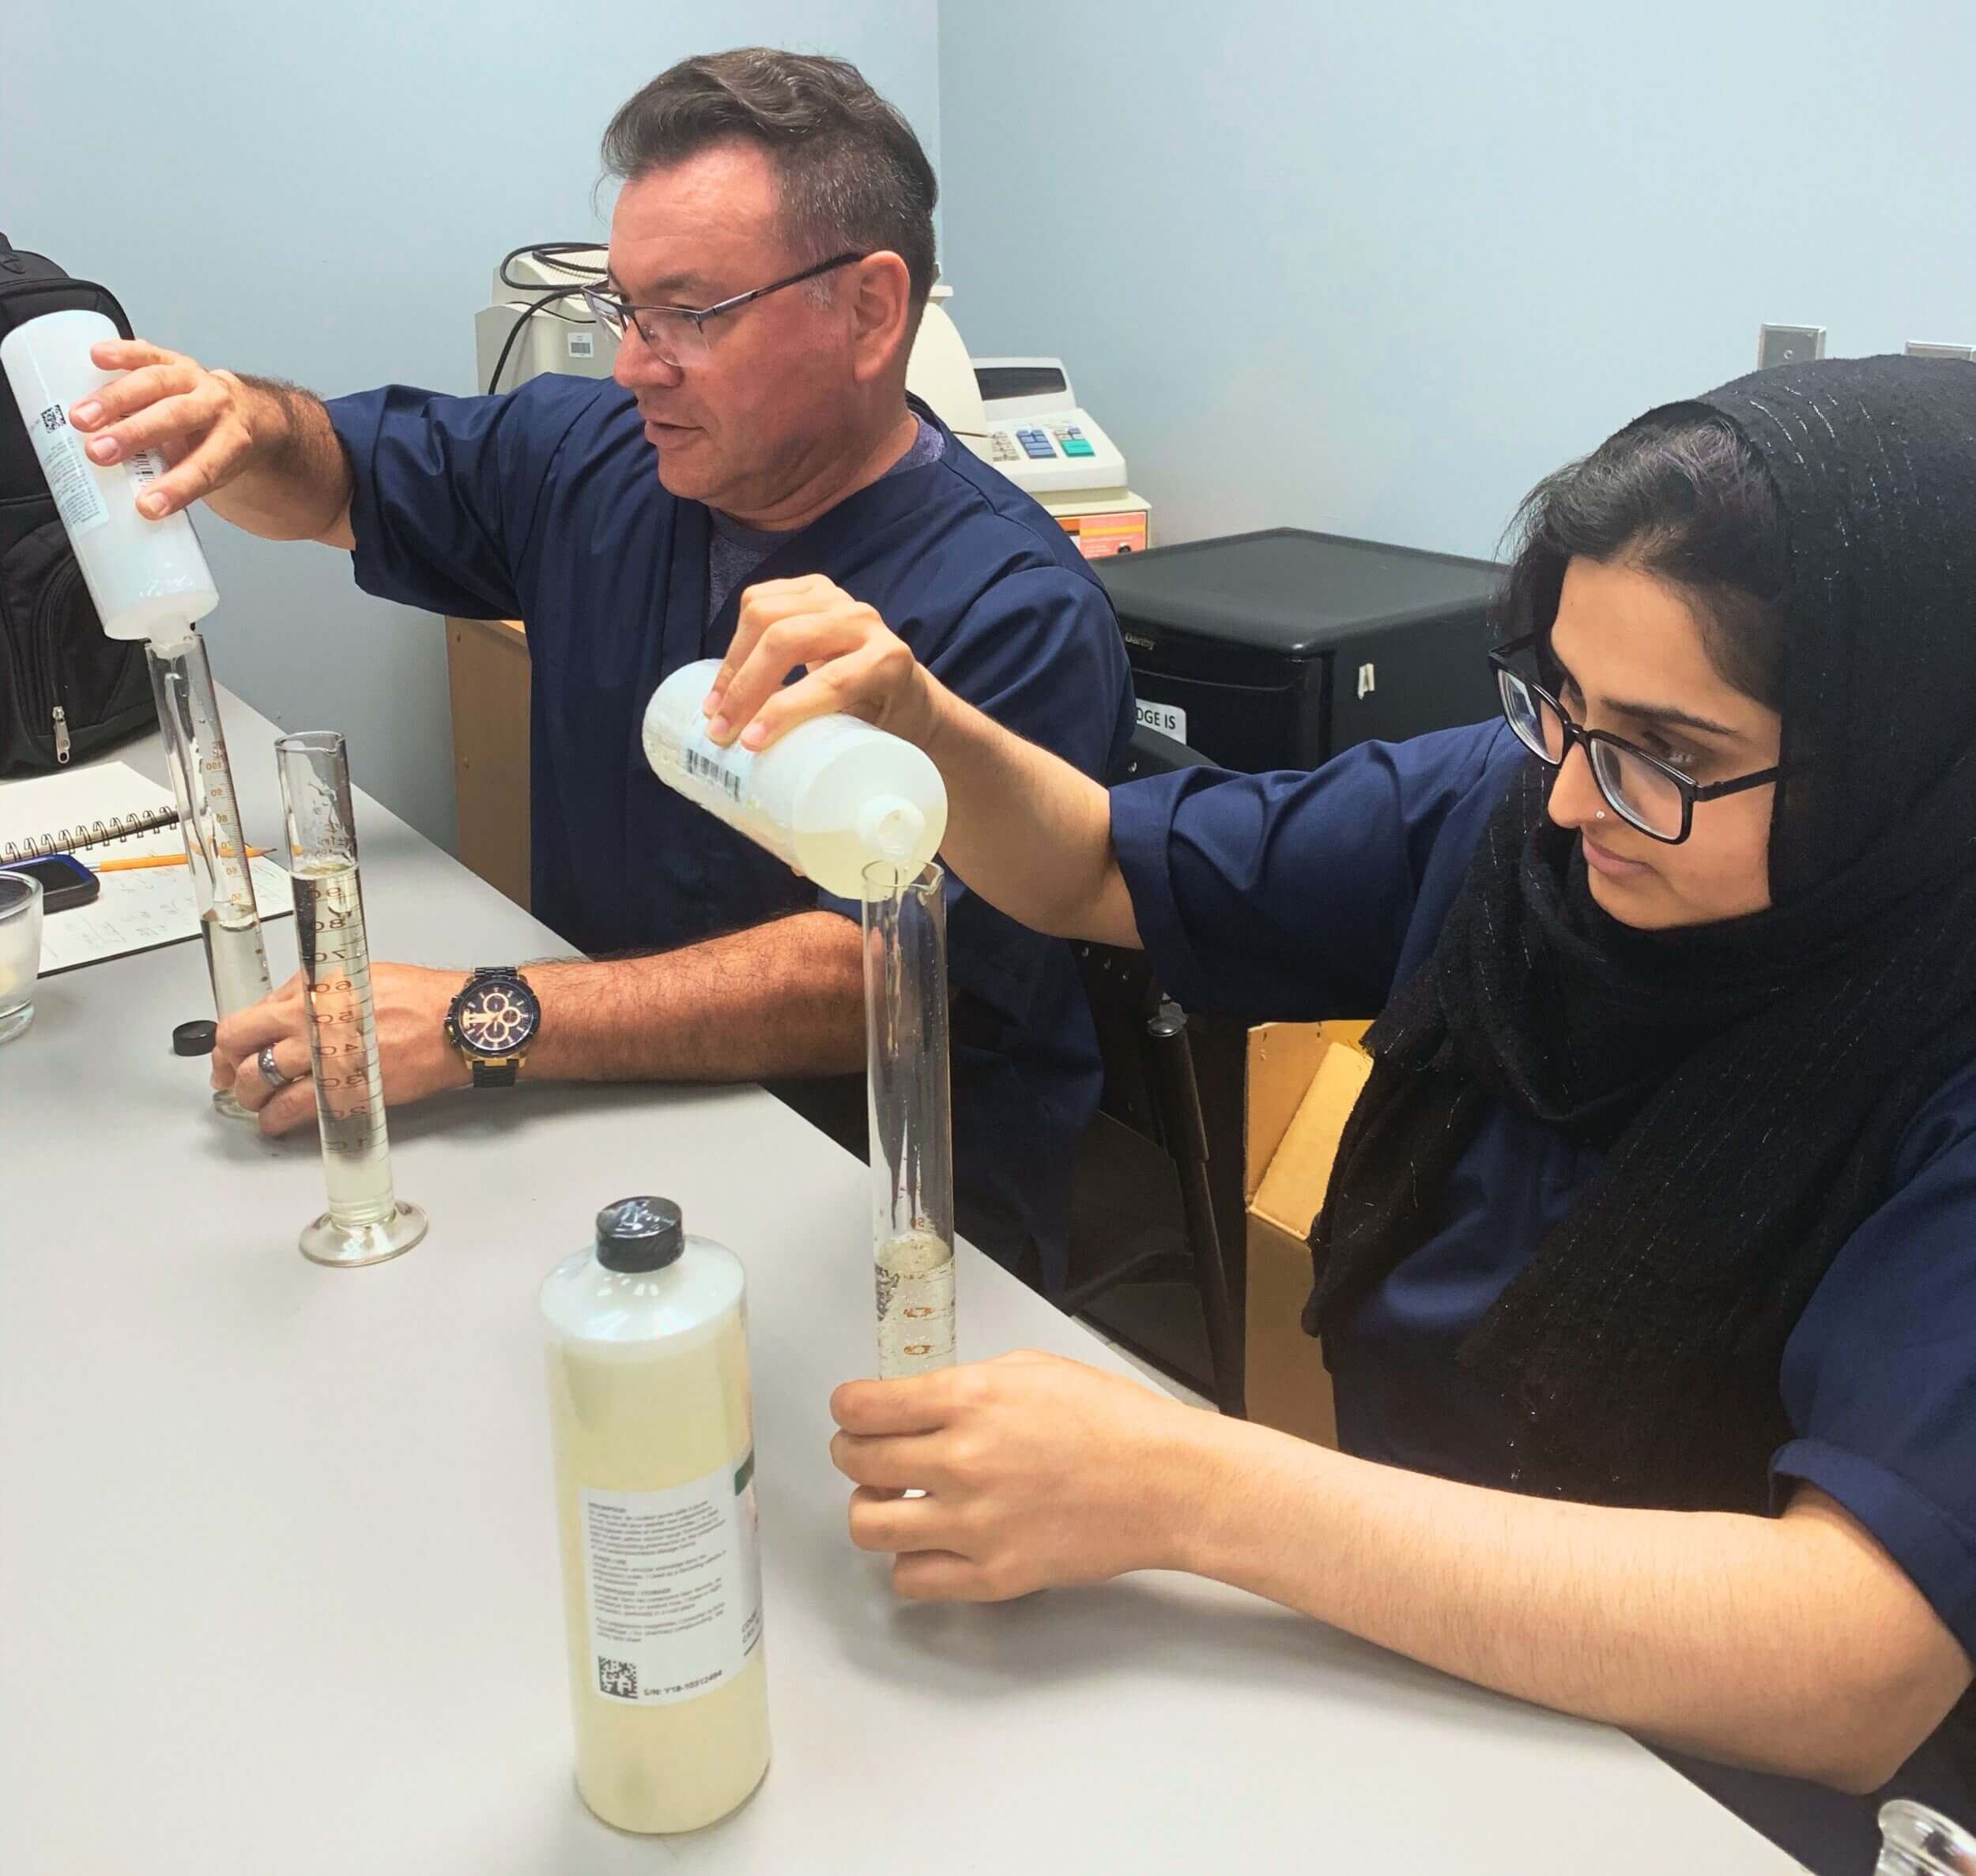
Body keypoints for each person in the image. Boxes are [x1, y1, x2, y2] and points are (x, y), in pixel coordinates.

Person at [707, 354, 1976, 1870]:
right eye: (1559, 704)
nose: (1575, 802)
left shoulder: (1936, 1046)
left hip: (1725, 1802)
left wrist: (1185, 1484)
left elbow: (1855, 1656)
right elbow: (1093, 870)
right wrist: (924, 717)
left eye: (1669, 755)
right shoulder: (1507, 826)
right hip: (1410, 1672)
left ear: (1908, 750)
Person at [65, 48, 1132, 1284]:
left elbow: (870, 971)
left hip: (878, 1210)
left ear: (871, 311)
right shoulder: (598, 462)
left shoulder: (1013, 606)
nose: (635, 363)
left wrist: (482, 1018)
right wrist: (242, 421)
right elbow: (345, 474)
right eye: (630, 309)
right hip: (596, 1134)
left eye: (692, 313)